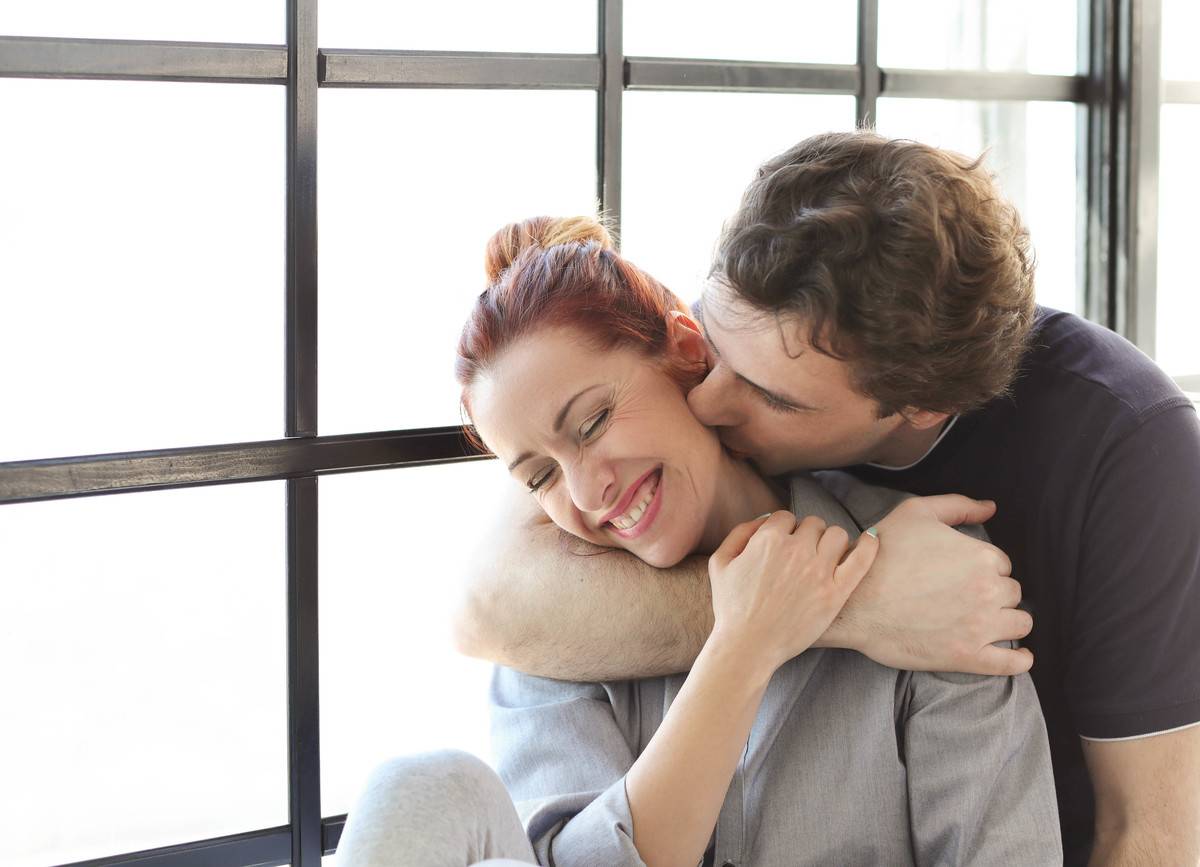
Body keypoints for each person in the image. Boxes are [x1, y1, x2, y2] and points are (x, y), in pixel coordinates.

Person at [452, 133, 1200, 866]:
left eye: (764, 395)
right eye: (711, 344)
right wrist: (835, 605)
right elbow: (483, 607)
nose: (706, 396)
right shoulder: (751, 321)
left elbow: (1153, 836)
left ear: (919, 409)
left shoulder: (1124, 452)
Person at [334, 215, 1060, 867]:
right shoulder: (553, 636)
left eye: (590, 424)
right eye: (540, 477)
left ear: (684, 350)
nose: (588, 494)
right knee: (421, 789)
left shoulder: (929, 577)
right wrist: (743, 645)